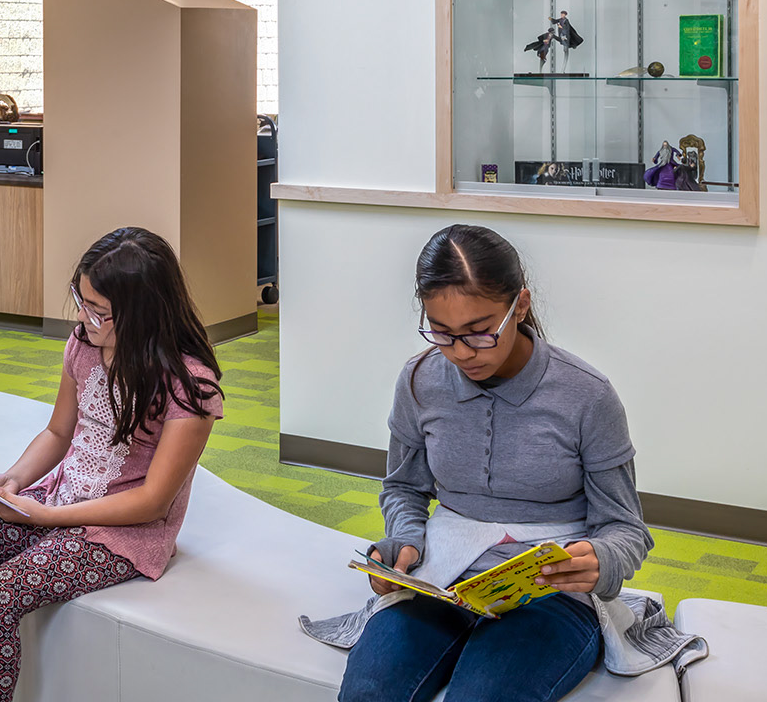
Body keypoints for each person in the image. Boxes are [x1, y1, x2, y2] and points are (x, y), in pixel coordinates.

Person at [302, 224, 704, 701]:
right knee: (368, 693)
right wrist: (405, 542)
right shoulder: (419, 380)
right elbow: (404, 488)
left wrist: (602, 560)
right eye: (442, 333)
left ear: (522, 306)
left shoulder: (587, 395)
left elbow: (625, 528)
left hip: (549, 592)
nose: (461, 353)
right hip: (442, 579)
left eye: (480, 332)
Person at [0, 227, 223, 702]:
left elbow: (153, 502)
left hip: (123, 534)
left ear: (144, 311)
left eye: (99, 311)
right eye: (82, 301)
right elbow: (58, 433)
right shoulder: (85, 343)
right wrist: (15, 480)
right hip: (58, 499)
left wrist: (46, 517)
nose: (84, 317)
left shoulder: (191, 387)